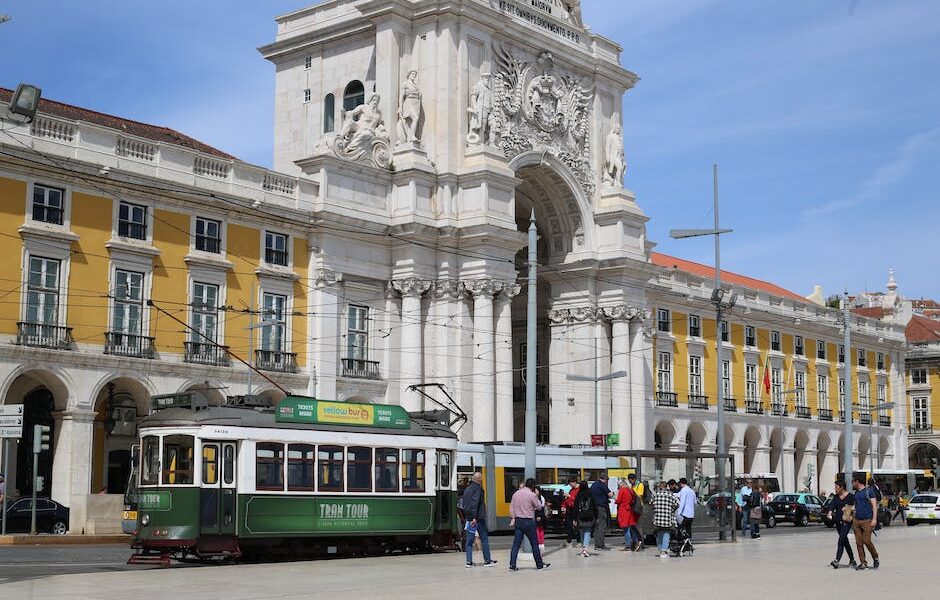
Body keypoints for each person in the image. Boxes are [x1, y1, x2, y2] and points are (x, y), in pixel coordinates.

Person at [508, 478, 550, 571]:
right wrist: (537, 495)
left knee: (516, 544)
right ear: (533, 486)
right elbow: (539, 507)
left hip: (518, 521)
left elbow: (511, 508)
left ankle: (512, 565)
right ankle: (539, 565)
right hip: (528, 522)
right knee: (534, 543)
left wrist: (513, 518)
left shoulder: (516, 494)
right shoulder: (532, 495)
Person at [461, 472, 496, 568]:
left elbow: (464, 504)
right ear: (479, 479)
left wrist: (468, 517)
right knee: (484, 538)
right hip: (477, 519)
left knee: (469, 541)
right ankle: (487, 560)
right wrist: (474, 518)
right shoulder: (479, 490)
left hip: (469, 518)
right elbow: (475, 503)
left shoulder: (467, 489)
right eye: (481, 478)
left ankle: (469, 561)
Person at [827, 479, 857, 569]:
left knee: (841, 540)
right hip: (838, 522)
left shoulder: (851, 496)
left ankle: (837, 560)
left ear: (842, 487)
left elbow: (856, 506)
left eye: (836, 487)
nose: (835, 489)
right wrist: (829, 512)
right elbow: (831, 506)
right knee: (845, 541)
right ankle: (852, 560)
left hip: (846, 521)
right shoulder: (836, 497)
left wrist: (849, 508)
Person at [851, 473, 880, 570]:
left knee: (866, 541)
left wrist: (874, 519)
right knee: (859, 543)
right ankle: (863, 563)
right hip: (857, 520)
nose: (852, 483)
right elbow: (857, 505)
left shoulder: (869, 491)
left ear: (857, 482)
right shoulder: (856, 493)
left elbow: (874, 505)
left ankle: (875, 556)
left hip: (867, 520)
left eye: (853, 481)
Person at [652, 480, 679, 559]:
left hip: (657, 518)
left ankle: (661, 549)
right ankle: (664, 551)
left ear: (660, 487)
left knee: (659, 533)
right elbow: (677, 504)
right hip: (667, 518)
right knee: (666, 533)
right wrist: (671, 509)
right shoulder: (670, 495)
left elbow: (651, 504)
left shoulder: (655, 494)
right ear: (666, 487)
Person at [397, 69, 422, 143]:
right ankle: (411, 136)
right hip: (409, 102)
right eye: (412, 74)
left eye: (415, 74)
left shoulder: (416, 86)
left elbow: (418, 94)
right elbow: (401, 96)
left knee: (412, 120)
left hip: (416, 103)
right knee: (415, 118)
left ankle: (410, 136)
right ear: (409, 75)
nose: (414, 75)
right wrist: (400, 107)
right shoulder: (405, 84)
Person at [590, 475, 613, 550]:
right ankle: (600, 544)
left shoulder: (594, 484)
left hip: (594, 508)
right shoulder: (602, 485)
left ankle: (596, 544)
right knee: (602, 525)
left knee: (597, 526)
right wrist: (613, 493)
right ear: (605, 480)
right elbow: (610, 494)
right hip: (601, 507)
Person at [574, 480, 596, 557]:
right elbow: (594, 505)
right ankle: (585, 549)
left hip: (580, 516)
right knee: (588, 532)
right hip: (590, 516)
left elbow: (575, 507)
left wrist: (574, 518)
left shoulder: (578, 495)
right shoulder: (591, 494)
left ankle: (583, 547)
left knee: (582, 532)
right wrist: (596, 516)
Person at [615, 479, 638, 551]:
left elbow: (618, 500)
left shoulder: (622, 490)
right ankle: (635, 542)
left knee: (626, 528)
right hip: (629, 510)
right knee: (631, 528)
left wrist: (615, 498)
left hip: (623, 510)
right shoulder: (630, 490)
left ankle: (628, 545)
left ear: (621, 484)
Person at [627, 473, 645, 550]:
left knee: (639, 526)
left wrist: (631, 493)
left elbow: (639, 495)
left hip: (639, 507)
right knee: (633, 526)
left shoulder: (640, 485)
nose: (630, 482)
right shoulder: (632, 486)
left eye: (630, 480)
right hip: (633, 507)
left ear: (633, 479)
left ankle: (641, 543)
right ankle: (635, 542)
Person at [561, 475, 580, 547]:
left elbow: (577, 500)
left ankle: (579, 541)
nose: (570, 485)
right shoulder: (571, 490)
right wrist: (563, 506)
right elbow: (566, 500)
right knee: (569, 526)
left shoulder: (579, 490)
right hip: (569, 509)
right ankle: (569, 541)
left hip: (576, 510)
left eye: (570, 483)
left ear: (574, 482)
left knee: (576, 525)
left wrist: (569, 496)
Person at [534, 485, 547, 553]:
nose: (535, 492)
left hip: (539, 515)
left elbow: (541, 507)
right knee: (539, 529)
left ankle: (540, 543)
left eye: (536, 491)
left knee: (539, 529)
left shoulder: (540, 498)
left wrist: (539, 516)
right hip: (539, 515)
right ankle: (541, 543)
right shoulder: (541, 497)